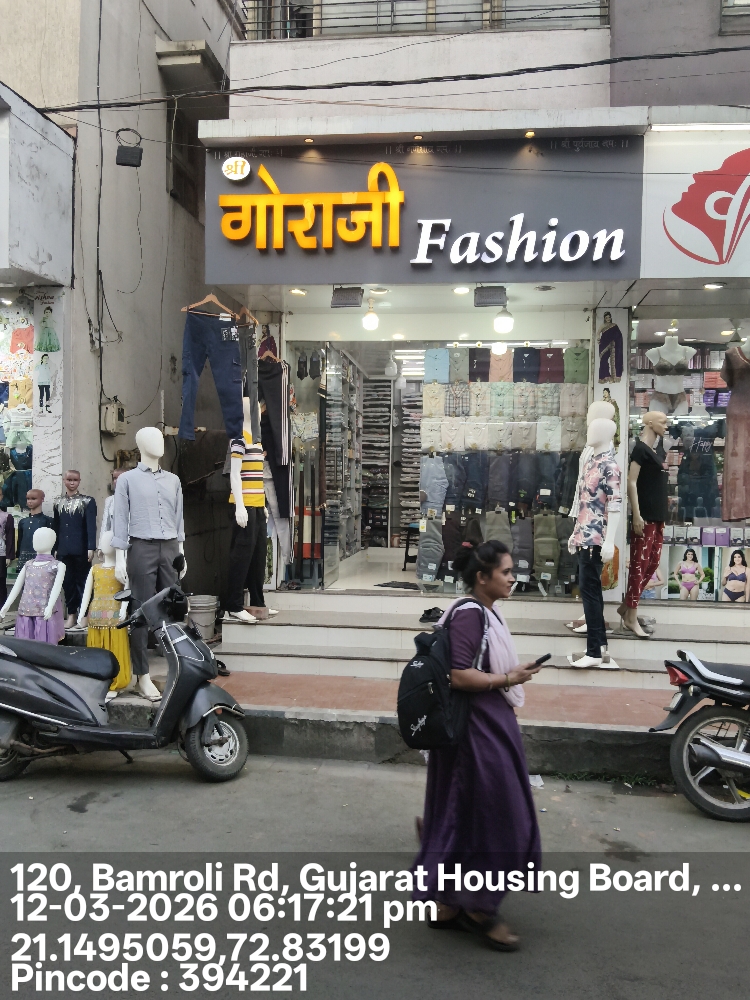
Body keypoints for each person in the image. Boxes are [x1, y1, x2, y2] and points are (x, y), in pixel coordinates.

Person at [412, 539, 542, 952]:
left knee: (468, 813)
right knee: (499, 815)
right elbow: (458, 675)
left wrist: (510, 674)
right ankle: (479, 909)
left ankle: (451, 903)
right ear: (482, 577)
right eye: (505, 572)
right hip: (475, 732)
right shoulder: (470, 614)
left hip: (487, 724)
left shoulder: (487, 611)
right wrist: (508, 679)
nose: (512, 578)